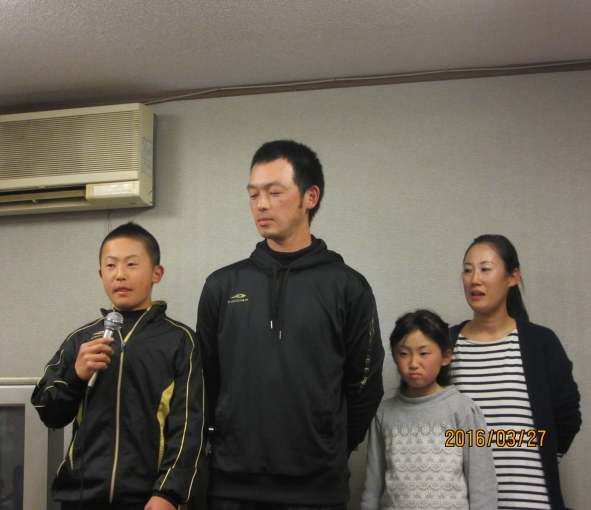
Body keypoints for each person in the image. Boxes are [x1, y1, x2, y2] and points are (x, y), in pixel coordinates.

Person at [197, 140, 384, 508]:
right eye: (253, 194)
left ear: (310, 196)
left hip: (318, 487)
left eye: (274, 192)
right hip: (232, 483)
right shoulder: (223, 286)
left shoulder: (347, 286)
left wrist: (332, 444)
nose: (261, 204)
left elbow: (364, 384)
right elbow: (206, 379)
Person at [31, 222, 205, 510]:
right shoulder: (81, 339)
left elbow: (189, 425)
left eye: (132, 264)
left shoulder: (180, 340)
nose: (120, 274)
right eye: (110, 265)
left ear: (156, 273)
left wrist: (168, 492)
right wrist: (76, 376)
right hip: (81, 497)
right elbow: (48, 413)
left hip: (149, 499)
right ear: (101, 274)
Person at [450, 234, 581, 510]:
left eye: (485, 269)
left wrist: (542, 456)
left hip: (533, 500)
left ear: (512, 277)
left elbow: (567, 415)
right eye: (468, 270)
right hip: (466, 502)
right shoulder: (446, 345)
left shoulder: (541, 343)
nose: (475, 279)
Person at [361, 310, 497, 510]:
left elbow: (482, 485)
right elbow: (372, 488)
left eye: (424, 353)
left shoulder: (463, 410)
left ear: (445, 357)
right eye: (404, 354)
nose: (413, 363)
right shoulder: (384, 413)